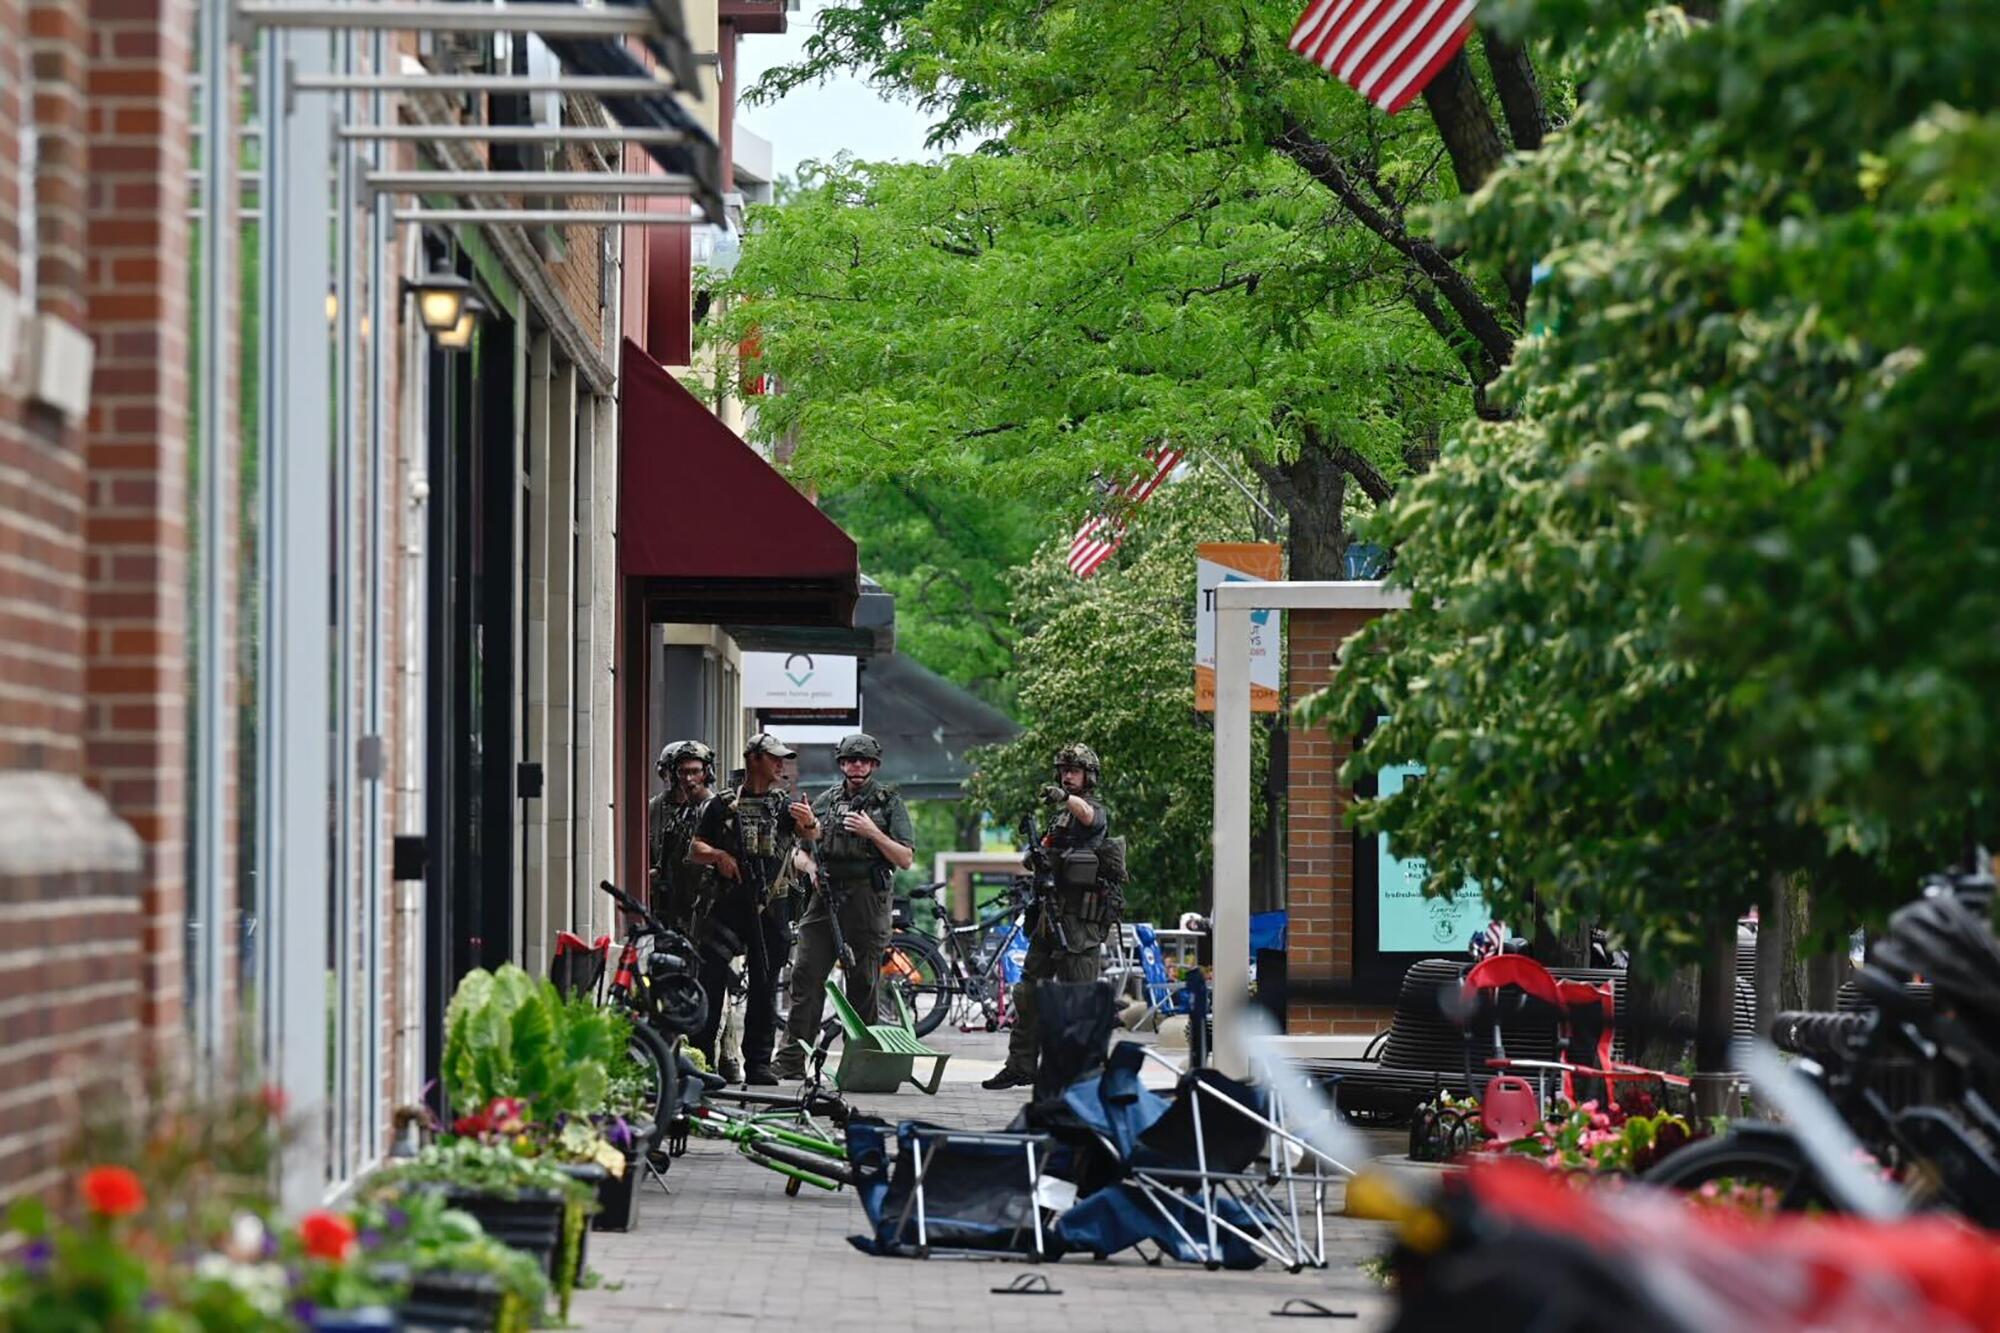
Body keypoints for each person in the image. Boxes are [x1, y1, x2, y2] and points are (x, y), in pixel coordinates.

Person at [771, 733, 915, 1080]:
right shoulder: (826, 800)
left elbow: (906, 858)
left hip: (867, 898)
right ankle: (791, 1058)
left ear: (874, 765)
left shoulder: (888, 802)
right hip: (826, 896)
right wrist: (811, 868)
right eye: (850, 760)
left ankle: (864, 1060)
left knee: (862, 980)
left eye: (863, 760)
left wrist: (873, 833)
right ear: (841, 764)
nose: (857, 765)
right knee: (805, 974)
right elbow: (800, 849)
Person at [689, 732, 820, 1085]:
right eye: (774, 758)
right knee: (711, 984)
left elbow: (812, 833)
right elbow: (695, 848)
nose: (781, 764)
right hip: (726, 907)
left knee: (765, 985)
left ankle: (758, 1064)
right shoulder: (721, 805)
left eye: (783, 759)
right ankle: (703, 1062)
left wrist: (808, 820)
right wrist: (719, 856)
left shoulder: (783, 805)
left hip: (770, 908)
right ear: (754, 759)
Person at [984, 742, 1114, 1091]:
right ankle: (1021, 1065)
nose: (1067, 775)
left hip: (1079, 922)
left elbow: (1087, 815)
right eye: (1064, 770)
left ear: (1089, 776)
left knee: (1078, 1000)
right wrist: (1036, 856)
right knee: (1027, 993)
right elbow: (1037, 855)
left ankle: (1082, 1076)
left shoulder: (1092, 811)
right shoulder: (1060, 818)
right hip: (1048, 914)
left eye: (1074, 770)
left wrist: (1063, 798)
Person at [647, 740, 717, 935]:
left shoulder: (714, 808)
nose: (688, 779)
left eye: (695, 772)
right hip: (671, 904)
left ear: (706, 773)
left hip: (704, 905)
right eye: (681, 772)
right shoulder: (663, 810)